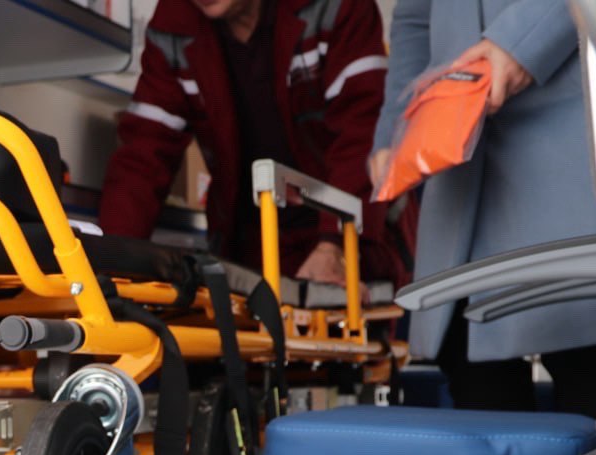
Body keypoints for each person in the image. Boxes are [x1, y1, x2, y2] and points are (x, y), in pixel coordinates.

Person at [371, 0, 596, 455]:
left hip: (567, 113)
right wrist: (396, 125)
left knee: (582, 350)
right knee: (469, 354)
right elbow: (415, 18)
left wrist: (521, 45)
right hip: (458, 133)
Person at [100, 0, 414, 285]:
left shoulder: (336, 7)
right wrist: (108, 265)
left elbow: (364, 132)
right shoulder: (173, 25)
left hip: (356, 242)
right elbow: (142, 157)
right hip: (250, 254)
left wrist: (335, 246)